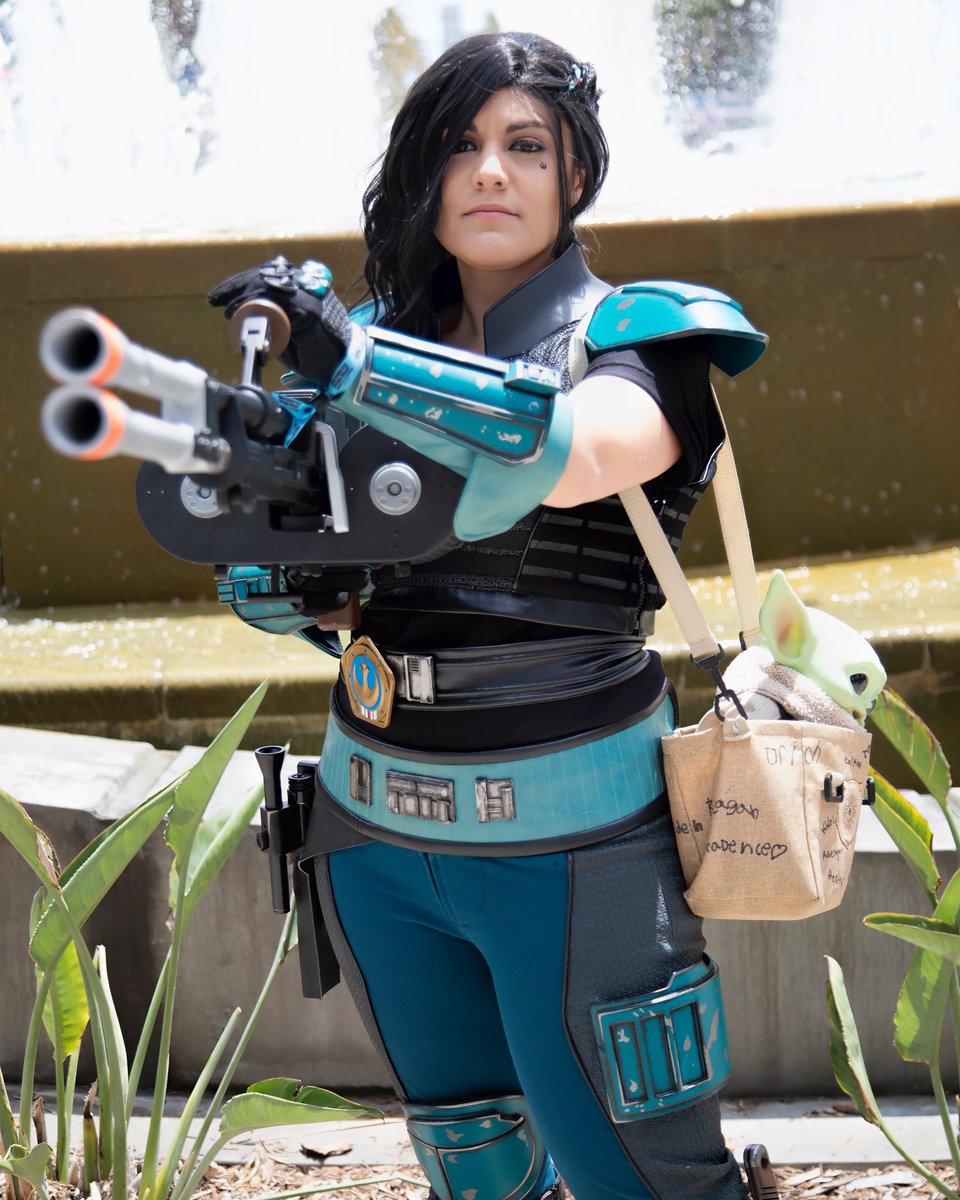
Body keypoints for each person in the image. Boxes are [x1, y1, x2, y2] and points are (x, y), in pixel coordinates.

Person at [208, 31, 772, 1200]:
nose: (491, 172)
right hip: (373, 825)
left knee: (646, 1179)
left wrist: (356, 366)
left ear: (578, 173)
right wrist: (285, 578)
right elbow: (344, 583)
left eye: (527, 146)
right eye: (461, 145)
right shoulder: (372, 338)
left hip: (573, 835)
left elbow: (576, 455)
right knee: (475, 1171)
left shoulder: (642, 337)